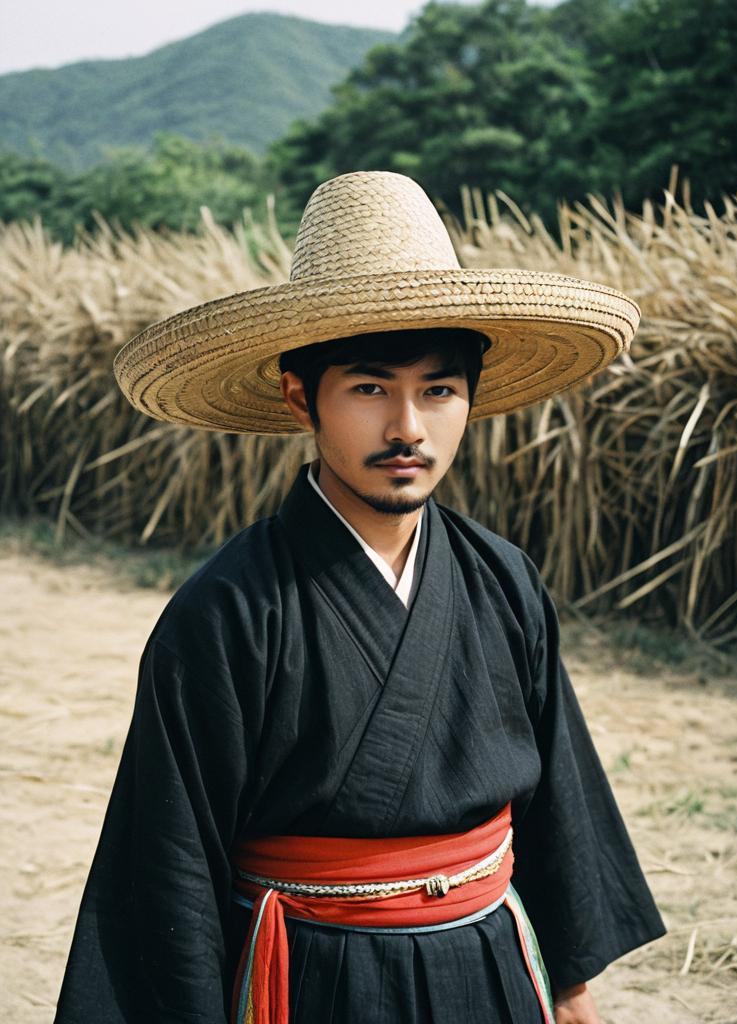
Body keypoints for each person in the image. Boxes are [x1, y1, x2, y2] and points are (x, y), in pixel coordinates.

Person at [55, 171, 665, 1024]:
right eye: (371, 388)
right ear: (301, 394)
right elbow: (167, 867)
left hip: (487, 965)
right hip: (307, 979)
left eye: (439, 389)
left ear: (470, 398)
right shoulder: (229, 611)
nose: (408, 427)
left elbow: (559, 802)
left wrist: (571, 988)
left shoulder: (502, 580)